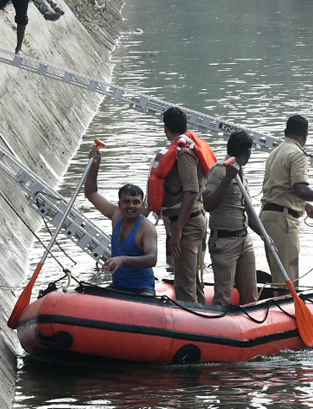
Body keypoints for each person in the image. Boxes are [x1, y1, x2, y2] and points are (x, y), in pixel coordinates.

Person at [258, 115, 313, 287]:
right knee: (287, 280)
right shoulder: (297, 154)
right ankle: (288, 311)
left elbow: (279, 188)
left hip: (268, 217)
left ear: (285, 132)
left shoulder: (276, 151)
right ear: (305, 134)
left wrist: (305, 206)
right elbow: (300, 189)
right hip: (283, 222)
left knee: (279, 275)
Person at [147, 106, 216, 303]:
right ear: (186, 126)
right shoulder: (184, 148)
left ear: (166, 129)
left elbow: (191, 190)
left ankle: (196, 327)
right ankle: (203, 321)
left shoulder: (183, 153)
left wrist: (178, 230)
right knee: (192, 279)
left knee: (186, 284)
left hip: (187, 223)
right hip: (186, 221)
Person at [83, 145, 157, 295]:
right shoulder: (117, 215)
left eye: (136, 202)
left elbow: (152, 258)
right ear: (119, 204)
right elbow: (91, 193)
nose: (131, 206)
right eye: (126, 201)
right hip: (118, 286)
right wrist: (95, 165)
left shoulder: (146, 228)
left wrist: (123, 259)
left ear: (142, 205)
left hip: (142, 289)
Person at [203, 131, 263, 306]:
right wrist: (228, 179)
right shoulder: (220, 171)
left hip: (244, 239)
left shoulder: (242, 174)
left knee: (251, 294)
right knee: (223, 295)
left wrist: (265, 237)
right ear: (247, 152)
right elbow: (207, 204)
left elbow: (250, 213)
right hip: (224, 242)